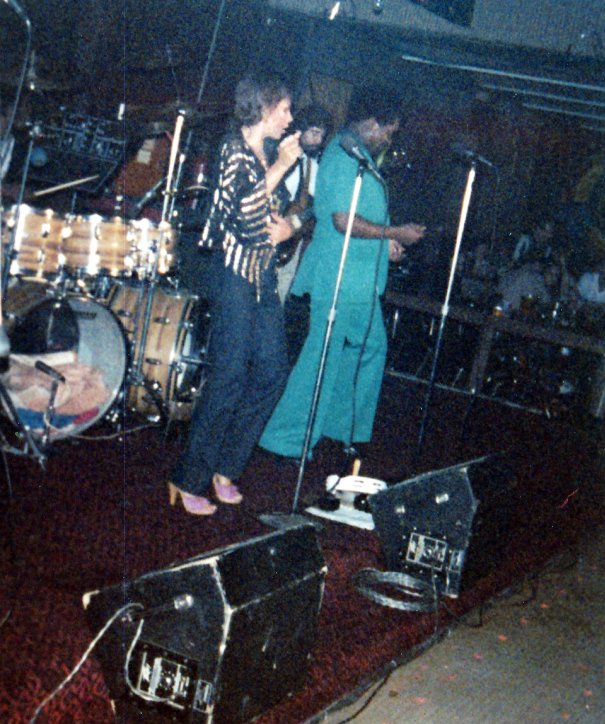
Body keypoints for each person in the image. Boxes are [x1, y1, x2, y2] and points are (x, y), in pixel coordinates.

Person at [259, 88, 426, 460]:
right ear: (373, 123)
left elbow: (361, 214)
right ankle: (286, 438)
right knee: (323, 356)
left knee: (370, 347)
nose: (389, 139)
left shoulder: (360, 156)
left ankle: (336, 428)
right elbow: (341, 219)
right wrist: (394, 232)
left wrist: (385, 242)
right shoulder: (342, 154)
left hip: (360, 280)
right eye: (389, 131)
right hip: (339, 276)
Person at [168, 74, 302, 514]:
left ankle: (226, 466)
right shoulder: (232, 150)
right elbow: (244, 213)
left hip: (263, 280)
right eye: (284, 108)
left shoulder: (269, 153)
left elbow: (286, 214)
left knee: (272, 374)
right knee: (227, 379)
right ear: (263, 107)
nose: (289, 118)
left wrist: (290, 227)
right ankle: (188, 478)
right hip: (233, 276)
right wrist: (281, 167)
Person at [274, 103, 332, 303]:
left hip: (292, 243)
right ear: (300, 129)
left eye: (322, 135)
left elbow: (314, 206)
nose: (319, 140)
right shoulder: (281, 153)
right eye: (314, 133)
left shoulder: (312, 165)